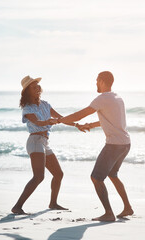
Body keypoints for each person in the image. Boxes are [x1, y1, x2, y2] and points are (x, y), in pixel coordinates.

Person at [58, 71, 133, 221]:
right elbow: (112, 120)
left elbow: (80, 115)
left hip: (114, 145)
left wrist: (59, 120)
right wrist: (91, 125)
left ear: (103, 81)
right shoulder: (117, 98)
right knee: (112, 174)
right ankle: (127, 208)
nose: (96, 83)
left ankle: (109, 213)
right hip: (125, 143)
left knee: (96, 178)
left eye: (97, 80)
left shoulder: (102, 98)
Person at [11, 75, 84, 215]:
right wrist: (49, 122)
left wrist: (76, 125)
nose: (37, 88)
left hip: (44, 142)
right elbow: (37, 122)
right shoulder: (27, 108)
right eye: (33, 87)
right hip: (35, 142)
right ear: (28, 92)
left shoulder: (45, 104)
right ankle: (17, 206)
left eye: (38, 85)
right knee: (39, 177)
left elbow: (61, 118)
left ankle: (53, 203)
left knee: (58, 174)